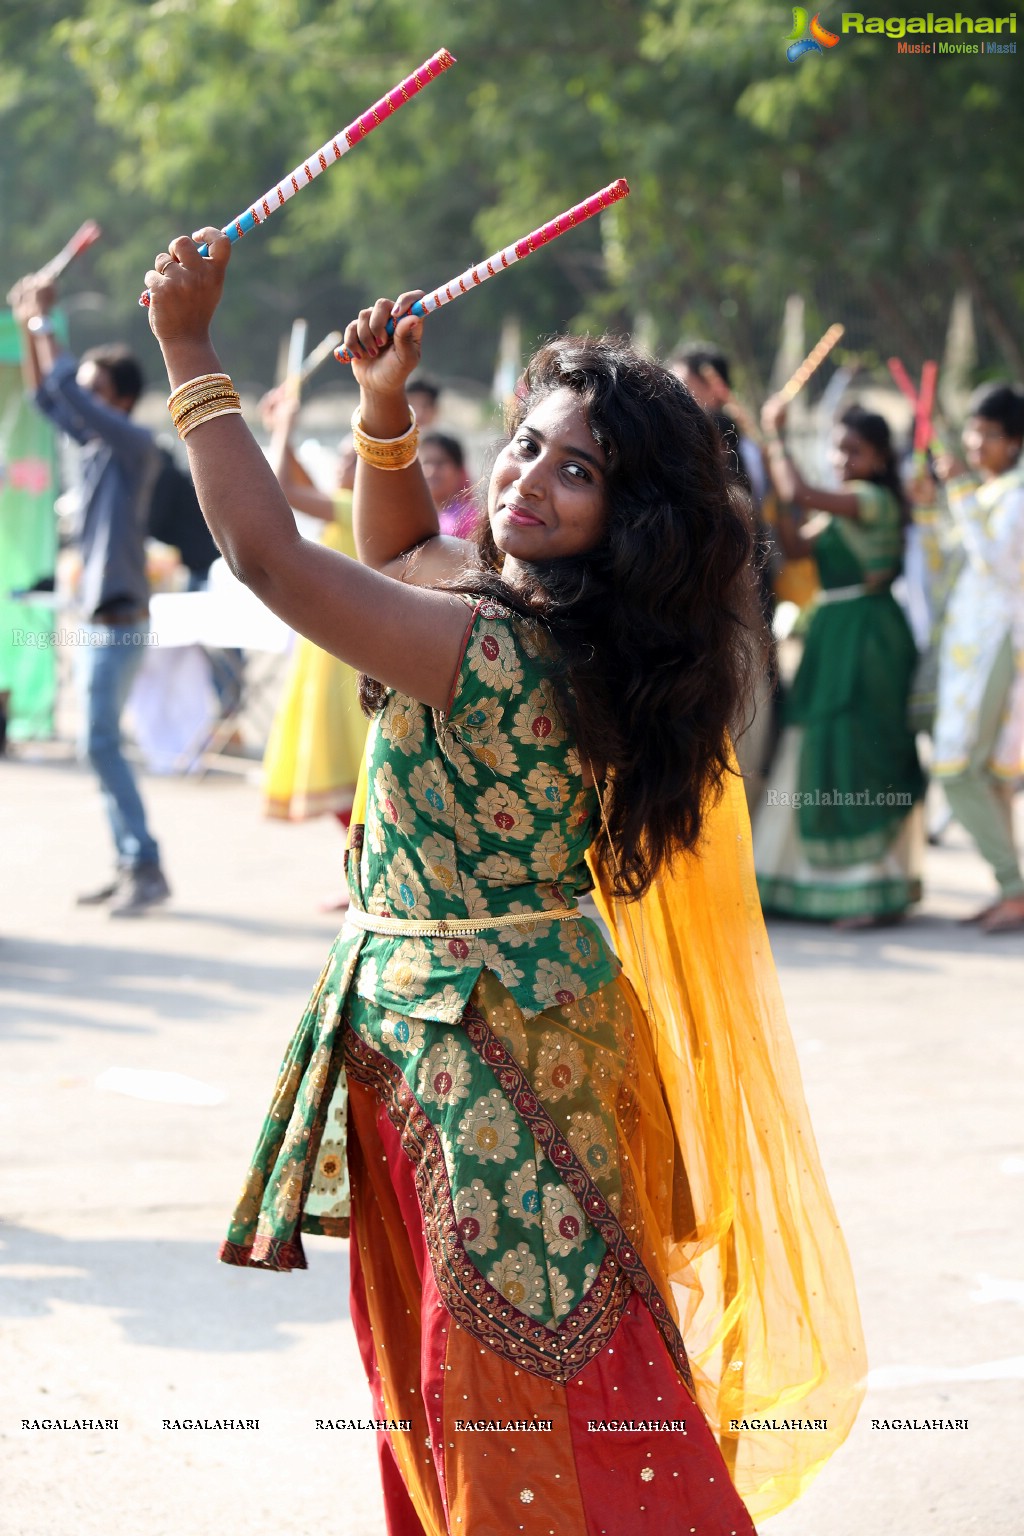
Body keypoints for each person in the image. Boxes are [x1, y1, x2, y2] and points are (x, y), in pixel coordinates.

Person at [143, 227, 864, 1534]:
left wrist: (192, 350)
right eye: (528, 442)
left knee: (516, 1388)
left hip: (483, 1054)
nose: (531, 476)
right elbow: (410, 554)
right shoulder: (557, 622)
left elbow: (277, 562)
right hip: (484, 1029)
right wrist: (380, 413)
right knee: (485, 1377)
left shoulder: (494, 649)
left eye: (574, 469)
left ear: (627, 515)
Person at [8, 272, 170, 916]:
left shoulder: (134, 446)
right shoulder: (101, 447)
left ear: (120, 400)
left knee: (98, 745)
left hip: (118, 619)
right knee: (96, 747)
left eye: (93, 389)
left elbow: (64, 394)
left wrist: (45, 325)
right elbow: (48, 397)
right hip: (103, 619)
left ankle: (144, 862)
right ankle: (131, 859)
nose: (80, 397)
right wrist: (28, 325)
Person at [755, 400, 926, 926]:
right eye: (836, 447)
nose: (841, 457)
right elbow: (793, 548)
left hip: (869, 636)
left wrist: (776, 440)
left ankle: (871, 891)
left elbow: (801, 492)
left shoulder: (870, 499)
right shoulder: (842, 508)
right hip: (834, 631)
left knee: (859, 752)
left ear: (879, 458)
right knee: (817, 746)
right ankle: (804, 881)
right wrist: (780, 502)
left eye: (854, 449)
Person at [259, 386, 367, 907]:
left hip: (344, 659)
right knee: (342, 769)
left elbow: (278, 485)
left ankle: (366, 875)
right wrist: (287, 426)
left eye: (352, 456)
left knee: (347, 768)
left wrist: (283, 429)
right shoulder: (346, 508)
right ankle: (362, 875)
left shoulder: (354, 506)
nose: (343, 462)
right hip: (331, 655)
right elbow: (295, 477)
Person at [932, 384, 1024, 933]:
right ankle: (1009, 888)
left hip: (998, 644)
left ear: (1014, 442)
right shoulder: (993, 490)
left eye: (988, 434)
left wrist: (960, 495)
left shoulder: (1014, 494)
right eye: (972, 430)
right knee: (984, 773)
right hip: (970, 647)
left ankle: (1013, 888)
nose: (974, 442)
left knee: (959, 768)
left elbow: (999, 564)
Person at [419, 429, 478, 538]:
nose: (432, 471)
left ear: (458, 471)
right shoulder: (413, 517)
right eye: (426, 462)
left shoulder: (469, 521)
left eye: (440, 463)